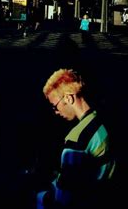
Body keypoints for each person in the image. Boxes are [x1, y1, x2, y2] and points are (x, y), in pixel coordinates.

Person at [38, 69, 116, 208]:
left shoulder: (75, 141)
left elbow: (62, 200)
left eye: (55, 106)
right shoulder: (102, 118)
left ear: (68, 98)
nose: (56, 112)